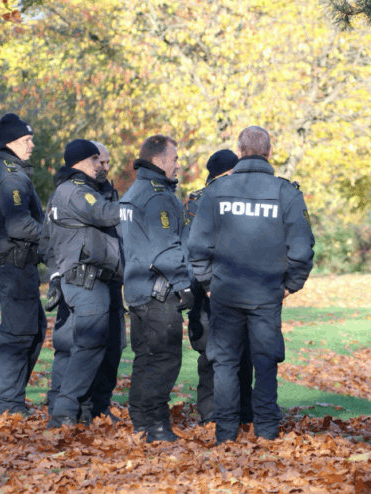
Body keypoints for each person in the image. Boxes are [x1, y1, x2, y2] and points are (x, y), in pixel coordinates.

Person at [187, 126, 315, 444]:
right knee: (266, 361)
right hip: (267, 292)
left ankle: (226, 432)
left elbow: (197, 244)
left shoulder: (216, 191)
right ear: (269, 152)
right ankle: (267, 430)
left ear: (240, 151)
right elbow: (302, 247)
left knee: (226, 364)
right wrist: (291, 285)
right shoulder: (286, 192)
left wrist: (207, 283)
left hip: (225, 291)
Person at [119, 135, 195, 443]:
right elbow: (165, 249)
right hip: (158, 292)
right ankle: (157, 425)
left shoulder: (134, 191)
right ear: (158, 161)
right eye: (174, 158)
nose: (178, 163)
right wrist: (185, 286)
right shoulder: (157, 196)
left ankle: (141, 422)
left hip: (138, 289)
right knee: (163, 360)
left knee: (146, 358)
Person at [0, 112, 45, 417]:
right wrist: (55, 238)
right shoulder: (8, 175)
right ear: (11, 142)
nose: (32, 145)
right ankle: (10, 405)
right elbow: (20, 226)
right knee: (19, 334)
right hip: (12, 265)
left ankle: (11, 399)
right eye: (27, 140)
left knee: (33, 329)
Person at [44, 139, 123, 429]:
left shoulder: (86, 191)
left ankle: (82, 409)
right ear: (81, 161)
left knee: (79, 345)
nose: (103, 167)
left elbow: (47, 239)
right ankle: (64, 413)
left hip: (96, 280)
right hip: (86, 280)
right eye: (98, 161)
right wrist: (136, 203)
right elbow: (103, 215)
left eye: (106, 162)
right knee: (88, 344)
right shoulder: (74, 192)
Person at [185, 149, 253, 426]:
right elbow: (194, 248)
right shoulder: (197, 202)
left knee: (244, 352)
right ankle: (212, 414)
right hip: (208, 290)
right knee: (212, 355)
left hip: (239, 287)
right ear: (224, 174)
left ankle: (243, 412)